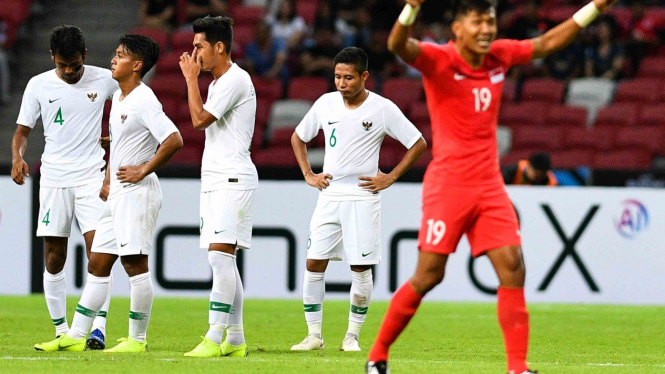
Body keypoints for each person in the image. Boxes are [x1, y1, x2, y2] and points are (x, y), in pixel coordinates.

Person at [366, 0, 617, 373]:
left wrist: (595, 7)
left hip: (489, 185)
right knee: (429, 274)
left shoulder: (499, 56)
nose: (487, 29)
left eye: (491, 21)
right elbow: (398, 46)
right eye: (478, 22)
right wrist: (411, 10)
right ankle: (377, 357)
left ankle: (517, 368)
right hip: (449, 184)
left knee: (513, 267)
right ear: (458, 29)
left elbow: (547, 43)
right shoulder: (439, 60)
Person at [34, 34, 183, 353]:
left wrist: (143, 168)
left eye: (120, 55)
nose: (113, 60)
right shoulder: (119, 99)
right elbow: (122, 142)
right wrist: (109, 169)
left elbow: (173, 139)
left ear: (137, 65)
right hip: (117, 193)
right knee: (98, 263)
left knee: (134, 264)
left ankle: (136, 339)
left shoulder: (144, 98)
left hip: (138, 191)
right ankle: (75, 335)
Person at [290, 47, 426, 352]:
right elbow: (298, 137)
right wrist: (309, 174)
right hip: (330, 194)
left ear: (364, 76)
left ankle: (351, 336)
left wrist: (389, 177)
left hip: (364, 197)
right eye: (337, 76)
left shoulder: (381, 108)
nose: (341, 83)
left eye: (348, 77)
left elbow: (418, 142)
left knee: (360, 268)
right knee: (314, 263)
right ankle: (314, 335)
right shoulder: (325, 104)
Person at [12, 25, 118, 351]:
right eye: (63, 66)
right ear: (52, 58)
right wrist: (17, 157)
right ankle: (62, 331)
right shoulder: (38, 85)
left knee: (98, 255)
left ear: (85, 55)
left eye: (75, 65)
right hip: (54, 180)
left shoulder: (105, 79)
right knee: (54, 257)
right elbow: (22, 132)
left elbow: (133, 105)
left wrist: (117, 139)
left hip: (91, 178)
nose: (69, 72)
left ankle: (97, 329)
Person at [179, 15, 258, 358]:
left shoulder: (234, 80)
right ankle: (236, 340)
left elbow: (197, 121)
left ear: (220, 47)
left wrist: (189, 80)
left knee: (218, 257)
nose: (194, 53)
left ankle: (213, 337)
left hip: (233, 177)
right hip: (215, 178)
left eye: (199, 46)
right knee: (224, 260)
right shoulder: (217, 83)